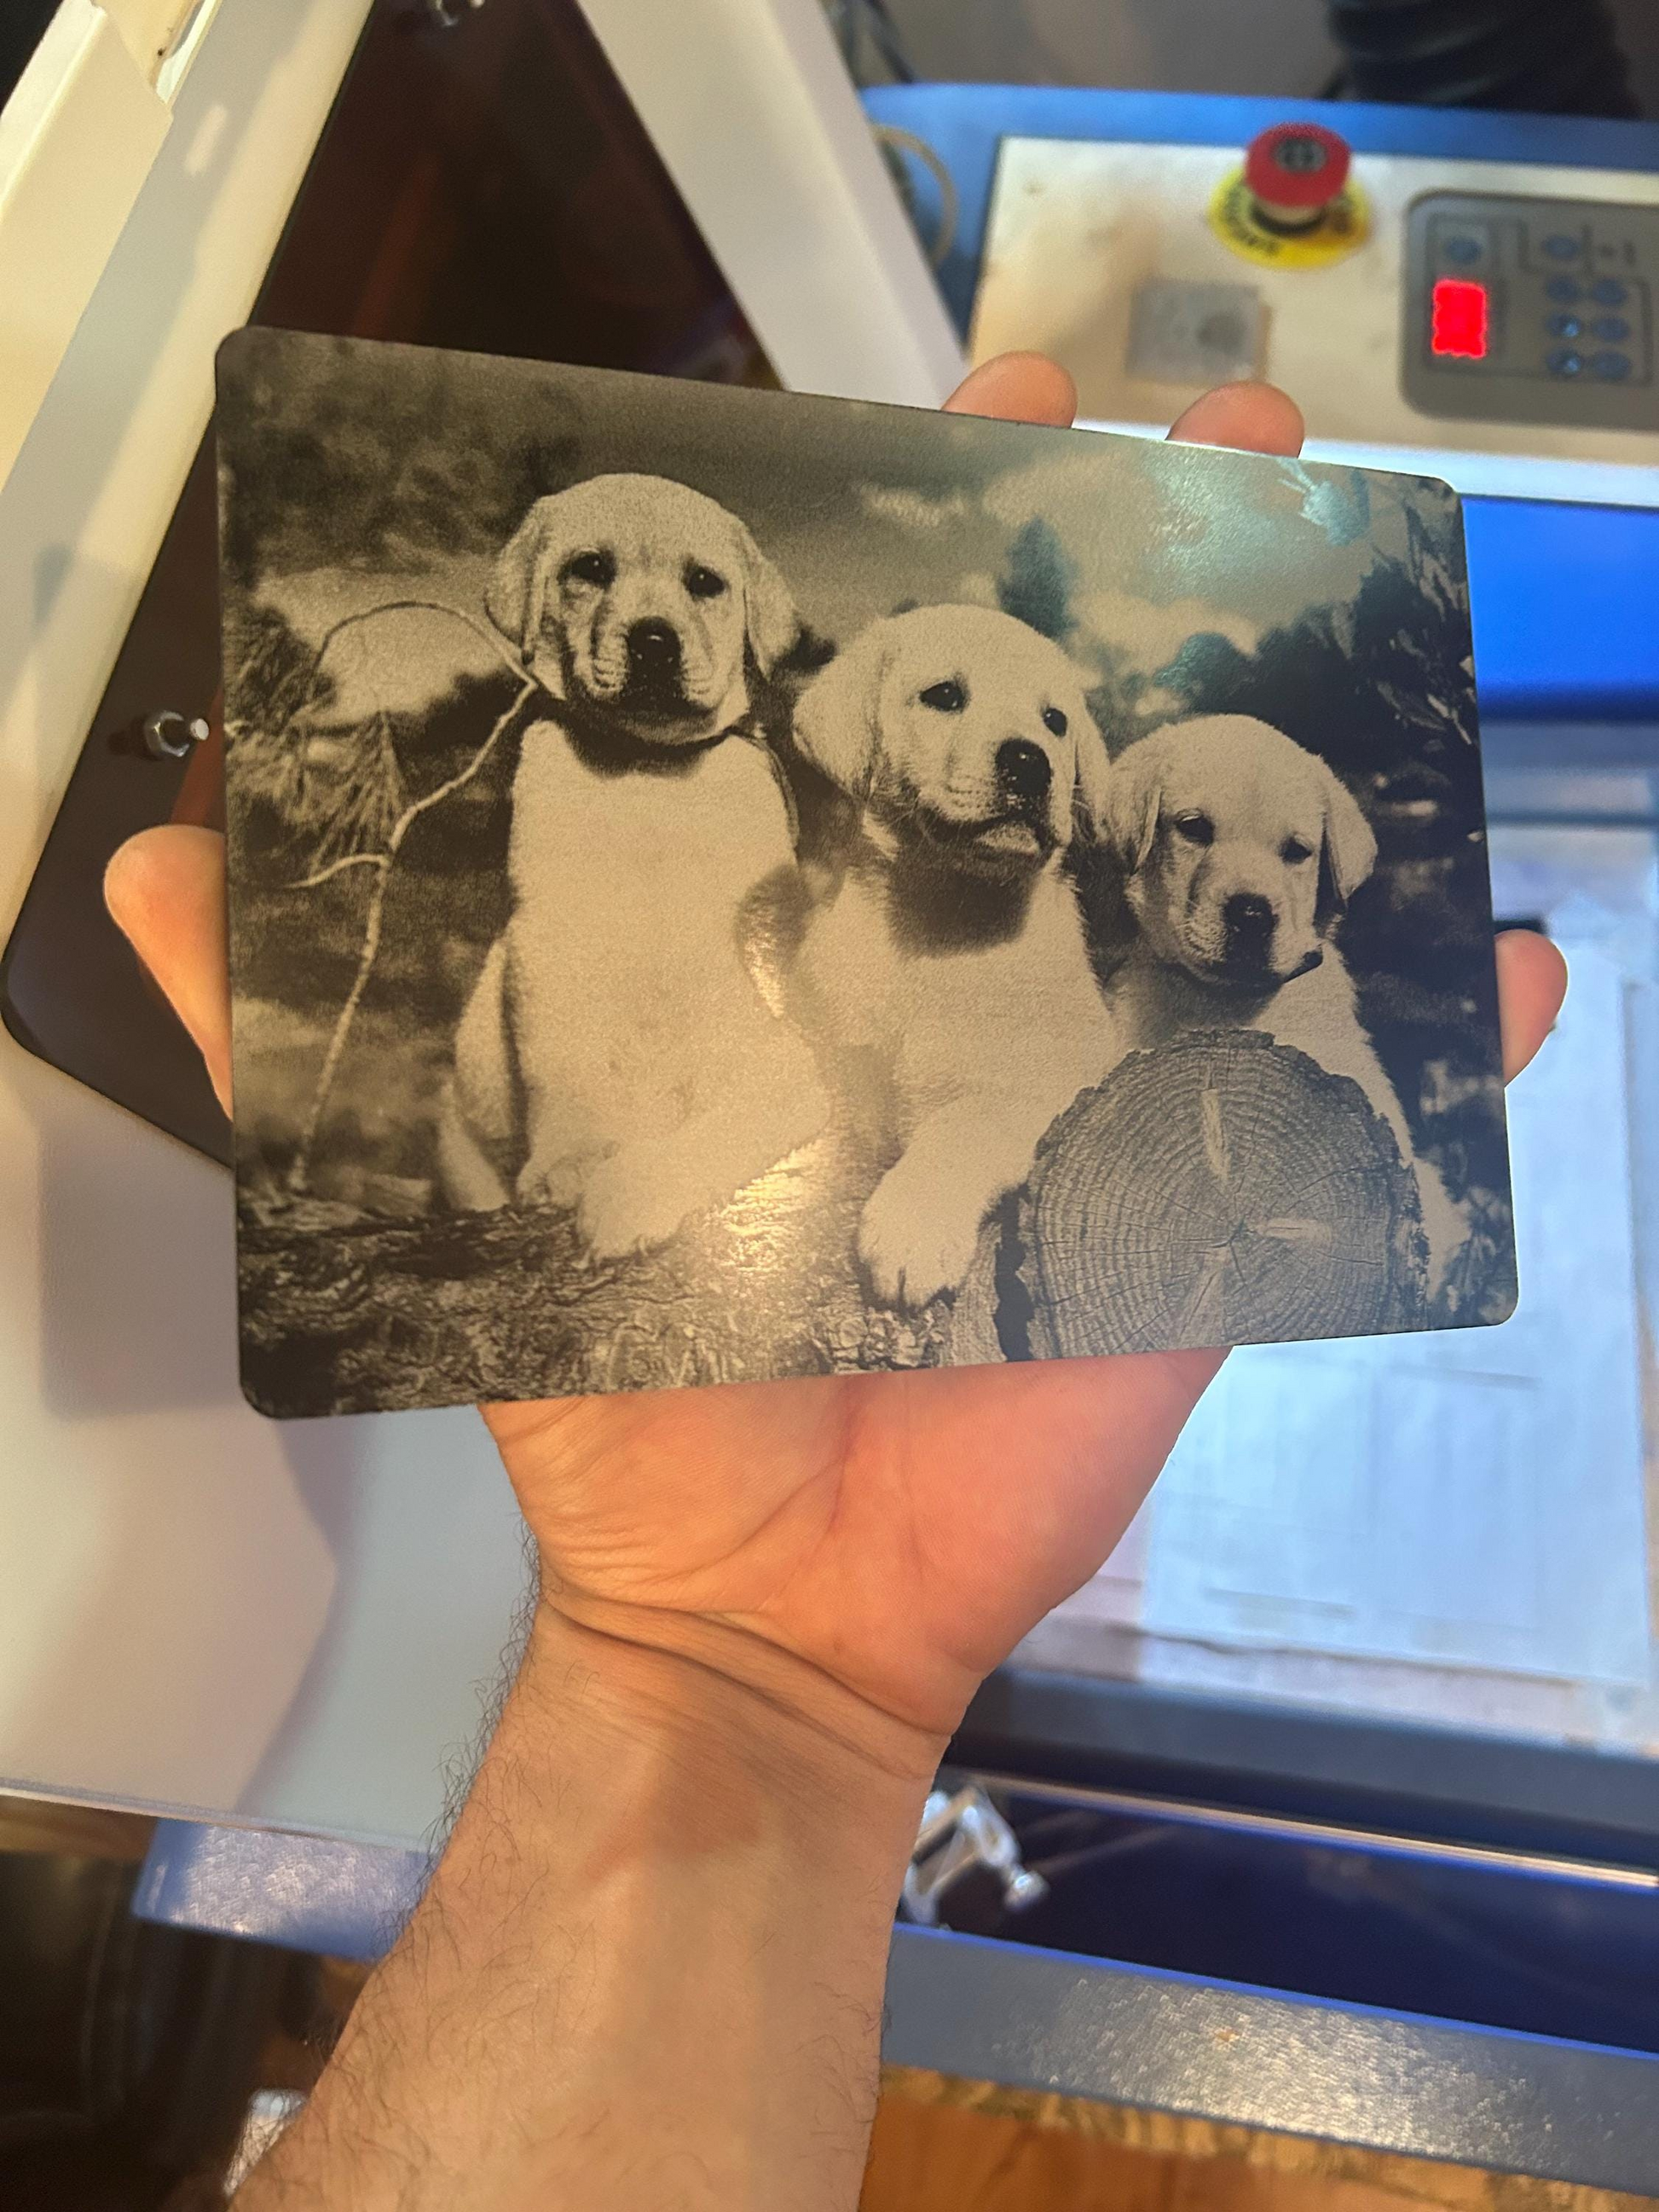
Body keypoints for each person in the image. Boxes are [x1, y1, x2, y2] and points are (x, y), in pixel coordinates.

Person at [106, 355, 1567, 2211]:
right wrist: (704, 1655)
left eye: (1046, 721)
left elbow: (951, 1091)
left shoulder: (1057, 960)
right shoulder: (777, 893)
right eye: (952, 700)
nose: (1017, 743)